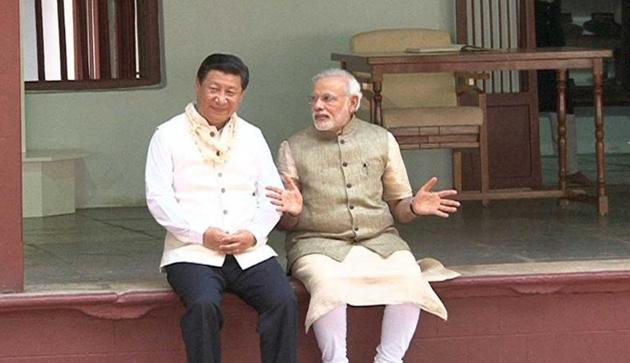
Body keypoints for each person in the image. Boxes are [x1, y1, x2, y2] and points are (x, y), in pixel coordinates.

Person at [266, 69, 460, 363]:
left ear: (353, 103)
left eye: (328, 99)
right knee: (329, 285)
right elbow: (286, 224)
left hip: (379, 241)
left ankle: (389, 359)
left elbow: (400, 208)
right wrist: (290, 212)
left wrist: (414, 207)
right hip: (316, 243)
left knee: (409, 278)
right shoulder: (293, 146)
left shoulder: (381, 140)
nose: (318, 106)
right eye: (315, 99)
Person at [145, 53, 298, 363]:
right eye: (214, 88)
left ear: (241, 96)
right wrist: (202, 235)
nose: (221, 98)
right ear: (198, 86)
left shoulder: (252, 136)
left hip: (249, 250)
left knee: (283, 300)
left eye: (231, 92)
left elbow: (272, 194)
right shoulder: (168, 135)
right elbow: (158, 198)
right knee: (203, 305)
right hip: (192, 251)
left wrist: (253, 235)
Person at [536, 0, 593, 186]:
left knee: (562, 101)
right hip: (529, 32)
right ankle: (513, 173)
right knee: (522, 99)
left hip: (553, 35)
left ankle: (570, 169)